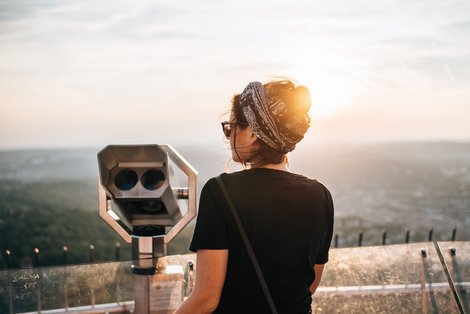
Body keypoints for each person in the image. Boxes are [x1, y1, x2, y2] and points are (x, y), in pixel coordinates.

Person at [176, 79, 334, 314]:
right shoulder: (320, 195)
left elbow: (205, 300)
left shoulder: (221, 191)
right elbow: (309, 285)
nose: (227, 137)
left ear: (251, 133)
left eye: (230, 127)